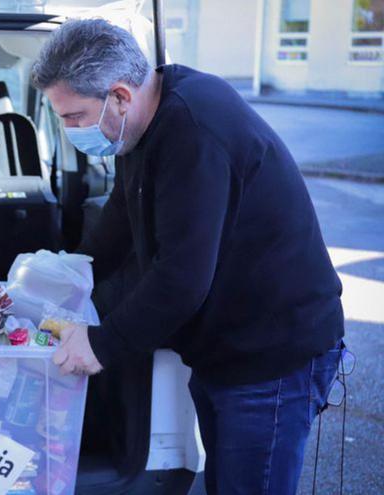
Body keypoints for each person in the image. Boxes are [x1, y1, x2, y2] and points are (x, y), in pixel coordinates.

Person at [37, 19, 345, 495]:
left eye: (73, 116)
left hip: (272, 354)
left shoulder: (194, 130)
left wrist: (101, 343)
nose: (69, 129)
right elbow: (121, 218)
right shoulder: (137, 129)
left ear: (120, 95)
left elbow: (182, 277)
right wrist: (68, 274)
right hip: (225, 349)